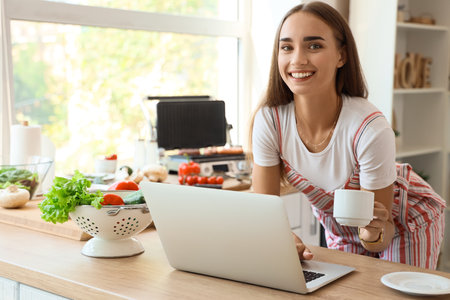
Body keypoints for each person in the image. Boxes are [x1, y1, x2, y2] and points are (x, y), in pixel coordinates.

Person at [249, 1, 446, 270]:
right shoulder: (270, 121)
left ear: (341, 56)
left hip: (406, 219)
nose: (298, 59)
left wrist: (372, 232)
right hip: (343, 229)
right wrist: (284, 239)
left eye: (314, 45)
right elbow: (263, 215)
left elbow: (380, 234)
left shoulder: (369, 127)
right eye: (287, 47)